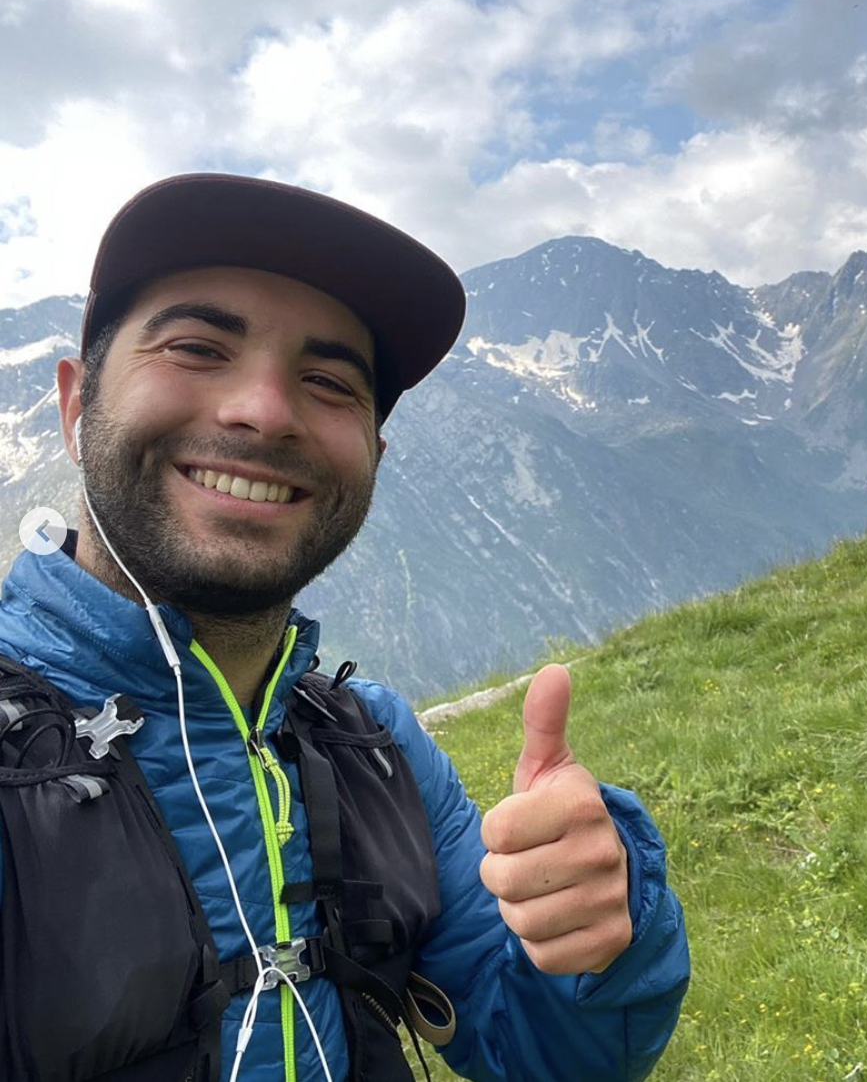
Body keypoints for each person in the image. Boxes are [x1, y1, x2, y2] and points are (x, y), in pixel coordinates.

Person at [0, 173, 689, 1082]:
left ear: (372, 453)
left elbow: (547, 1059)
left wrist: (602, 940)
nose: (265, 409)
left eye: (327, 381)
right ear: (75, 405)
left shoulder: (375, 743)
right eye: (198, 346)